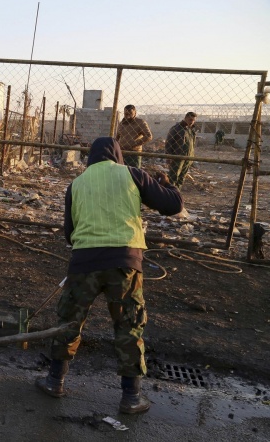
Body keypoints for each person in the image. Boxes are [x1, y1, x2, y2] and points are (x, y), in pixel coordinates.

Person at [35, 137, 183, 414]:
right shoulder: (133, 175)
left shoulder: (75, 185)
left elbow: (69, 232)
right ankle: (131, 397)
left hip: (84, 263)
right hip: (124, 264)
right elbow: (173, 206)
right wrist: (166, 183)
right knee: (129, 325)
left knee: (69, 321)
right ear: (117, 155)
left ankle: (55, 381)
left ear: (90, 158)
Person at [165, 111, 197, 189]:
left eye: (193, 120)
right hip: (177, 158)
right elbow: (169, 143)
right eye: (190, 119)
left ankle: (176, 193)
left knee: (181, 178)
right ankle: (170, 194)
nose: (192, 122)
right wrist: (169, 156)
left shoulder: (191, 130)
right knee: (173, 177)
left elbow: (192, 145)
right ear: (185, 118)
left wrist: (191, 158)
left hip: (188, 158)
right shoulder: (176, 128)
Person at [115, 104, 152, 169]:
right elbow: (117, 137)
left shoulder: (140, 123)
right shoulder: (122, 123)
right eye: (126, 114)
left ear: (135, 113)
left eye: (130, 114)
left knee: (134, 174)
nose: (128, 116)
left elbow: (148, 136)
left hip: (134, 154)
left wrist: (134, 144)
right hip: (122, 153)